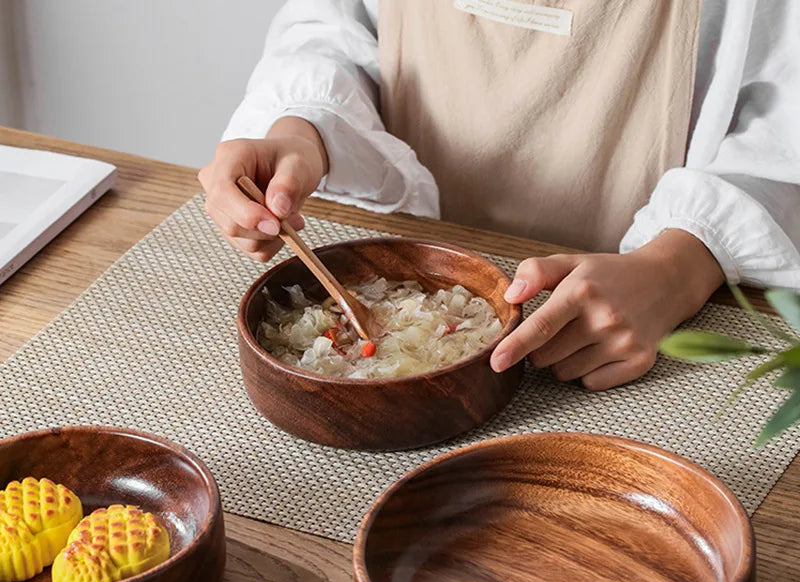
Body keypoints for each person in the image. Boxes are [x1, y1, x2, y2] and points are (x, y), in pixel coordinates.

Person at [199, 0, 800, 390]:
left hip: (653, 315)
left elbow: (786, 113)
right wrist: (300, 128)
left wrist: (679, 267)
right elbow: (336, 24)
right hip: (434, 245)